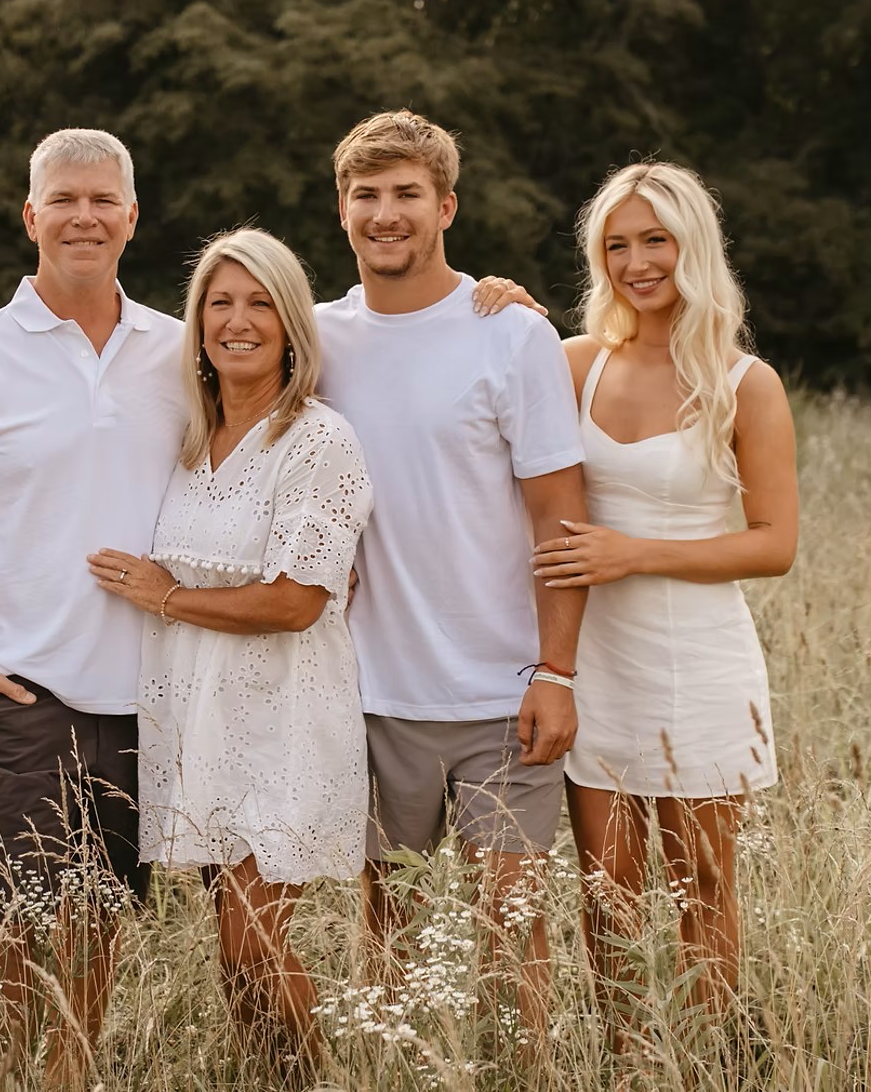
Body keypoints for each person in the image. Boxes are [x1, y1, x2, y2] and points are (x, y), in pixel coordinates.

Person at [0, 128, 185, 1088]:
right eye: (64, 199)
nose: (84, 216)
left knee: (101, 930)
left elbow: (302, 358)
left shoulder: (179, 352)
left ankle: (71, 1076)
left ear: (132, 217)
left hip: (147, 695)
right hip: (20, 695)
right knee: (17, 938)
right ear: (31, 216)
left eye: (104, 200)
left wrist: (497, 303)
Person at [313, 110, 590, 1057]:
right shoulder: (312, 341)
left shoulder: (510, 337)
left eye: (406, 195)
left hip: (501, 693)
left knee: (512, 935)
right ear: (342, 210)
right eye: (367, 195)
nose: (386, 214)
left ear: (446, 207)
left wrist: (556, 671)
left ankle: (519, 1076)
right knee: (380, 935)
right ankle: (388, 1073)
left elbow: (561, 522)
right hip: (366, 693)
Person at [88, 228, 372, 1067]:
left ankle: (323, 1078)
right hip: (199, 715)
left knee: (253, 940)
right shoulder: (186, 437)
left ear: (291, 325)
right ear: (197, 321)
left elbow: (296, 602)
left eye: (259, 304)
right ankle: (265, 1074)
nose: (237, 321)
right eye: (220, 302)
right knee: (232, 943)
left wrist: (164, 596)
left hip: (283, 716)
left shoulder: (318, 441)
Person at [532, 161, 798, 1041]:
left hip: (701, 661)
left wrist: (632, 552)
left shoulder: (744, 384)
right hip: (593, 662)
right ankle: (624, 1057)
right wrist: (493, 296)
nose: (637, 261)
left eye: (656, 240)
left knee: (703, 892)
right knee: (605, 894)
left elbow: (774, 544)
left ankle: (708, 1059)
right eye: (617, 245)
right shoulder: (575, 364)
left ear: (693, 247)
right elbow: (479, 358)